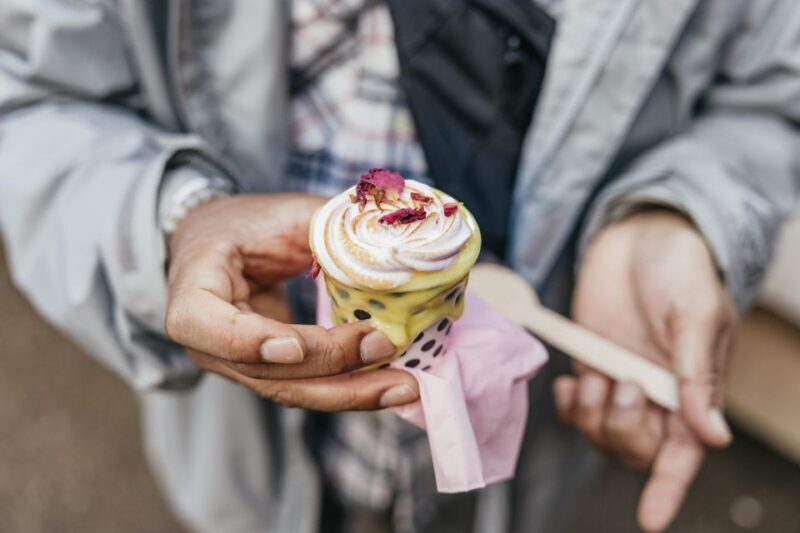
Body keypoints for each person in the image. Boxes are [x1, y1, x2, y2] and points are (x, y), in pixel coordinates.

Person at [0, 1, 798, 532]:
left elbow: (768, 98)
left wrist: (677, 213)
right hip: (247, 452)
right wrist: (174, 219)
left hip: (521, 450)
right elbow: (32, 97)